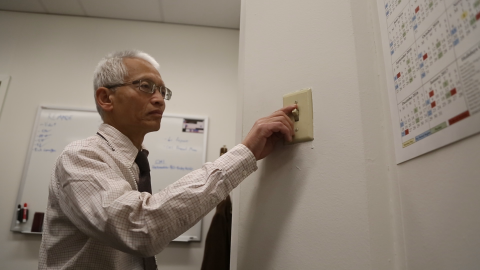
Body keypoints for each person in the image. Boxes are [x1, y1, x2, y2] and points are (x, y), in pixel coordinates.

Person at [39, 50, 297, 270]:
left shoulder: (135, 162)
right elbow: (141, 228)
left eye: (163, 91)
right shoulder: (81, 157)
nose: (160, 100)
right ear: (106, 98)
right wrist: (243, 153)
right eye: (145, 86)